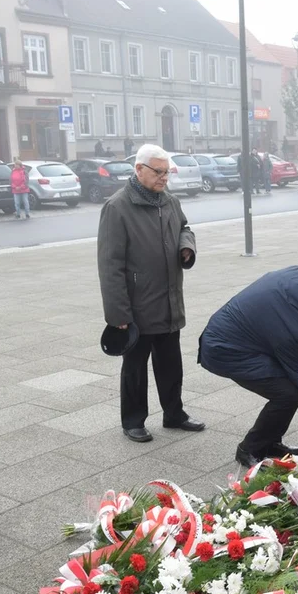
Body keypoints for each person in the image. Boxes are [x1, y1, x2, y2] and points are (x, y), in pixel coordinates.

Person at [198, 267, 298, 468]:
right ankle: (249, 449)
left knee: (292, 387)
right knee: (287, 394)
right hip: (225, 348)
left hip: (254, 339)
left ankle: (270, 443)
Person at [97, 144, 205, 443]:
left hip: (169, 298)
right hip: (137, 305)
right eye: (158, 172)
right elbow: (110, 265)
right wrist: (118, 314)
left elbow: (185, 227)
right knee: (135, 367)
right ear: (138, 169)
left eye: (167, 172)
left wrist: (187, 246)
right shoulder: (117, 208)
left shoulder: (169, 201)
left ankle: (174, 413)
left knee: (171, 363)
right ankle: (133, 420)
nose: (164, 178)